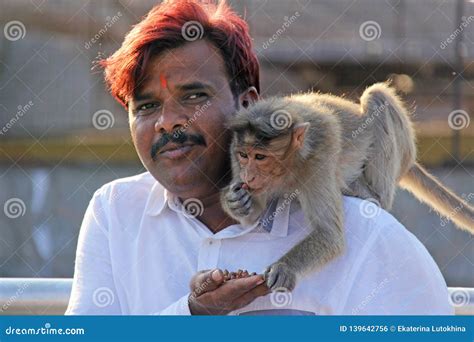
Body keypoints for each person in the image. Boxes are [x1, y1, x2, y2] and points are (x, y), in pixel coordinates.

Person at [65, 0, 453, 315]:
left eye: (194, 96)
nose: (168, 122)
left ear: (247, 105)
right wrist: (191, 315)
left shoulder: (365, 231)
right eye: (147, 106)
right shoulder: (116, 213)